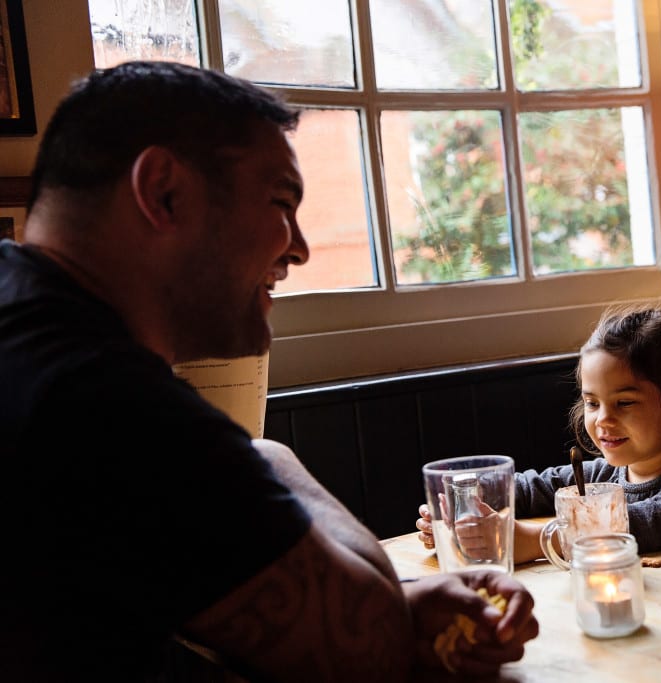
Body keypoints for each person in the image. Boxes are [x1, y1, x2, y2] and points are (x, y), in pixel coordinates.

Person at [0, 60, 537, 682]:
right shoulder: (105, 402)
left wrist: (399, 596)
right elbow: (371, 647)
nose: (301, 247)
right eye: (282, 201)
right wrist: (269, 454)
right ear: (164, 192)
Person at [417, 305, 661, 563]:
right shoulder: (605, 474)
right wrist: (460, 507)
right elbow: (536, 487)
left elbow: (652, 520)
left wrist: (532, 541)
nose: (603, 419)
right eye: (592, 402)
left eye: (624, 402)